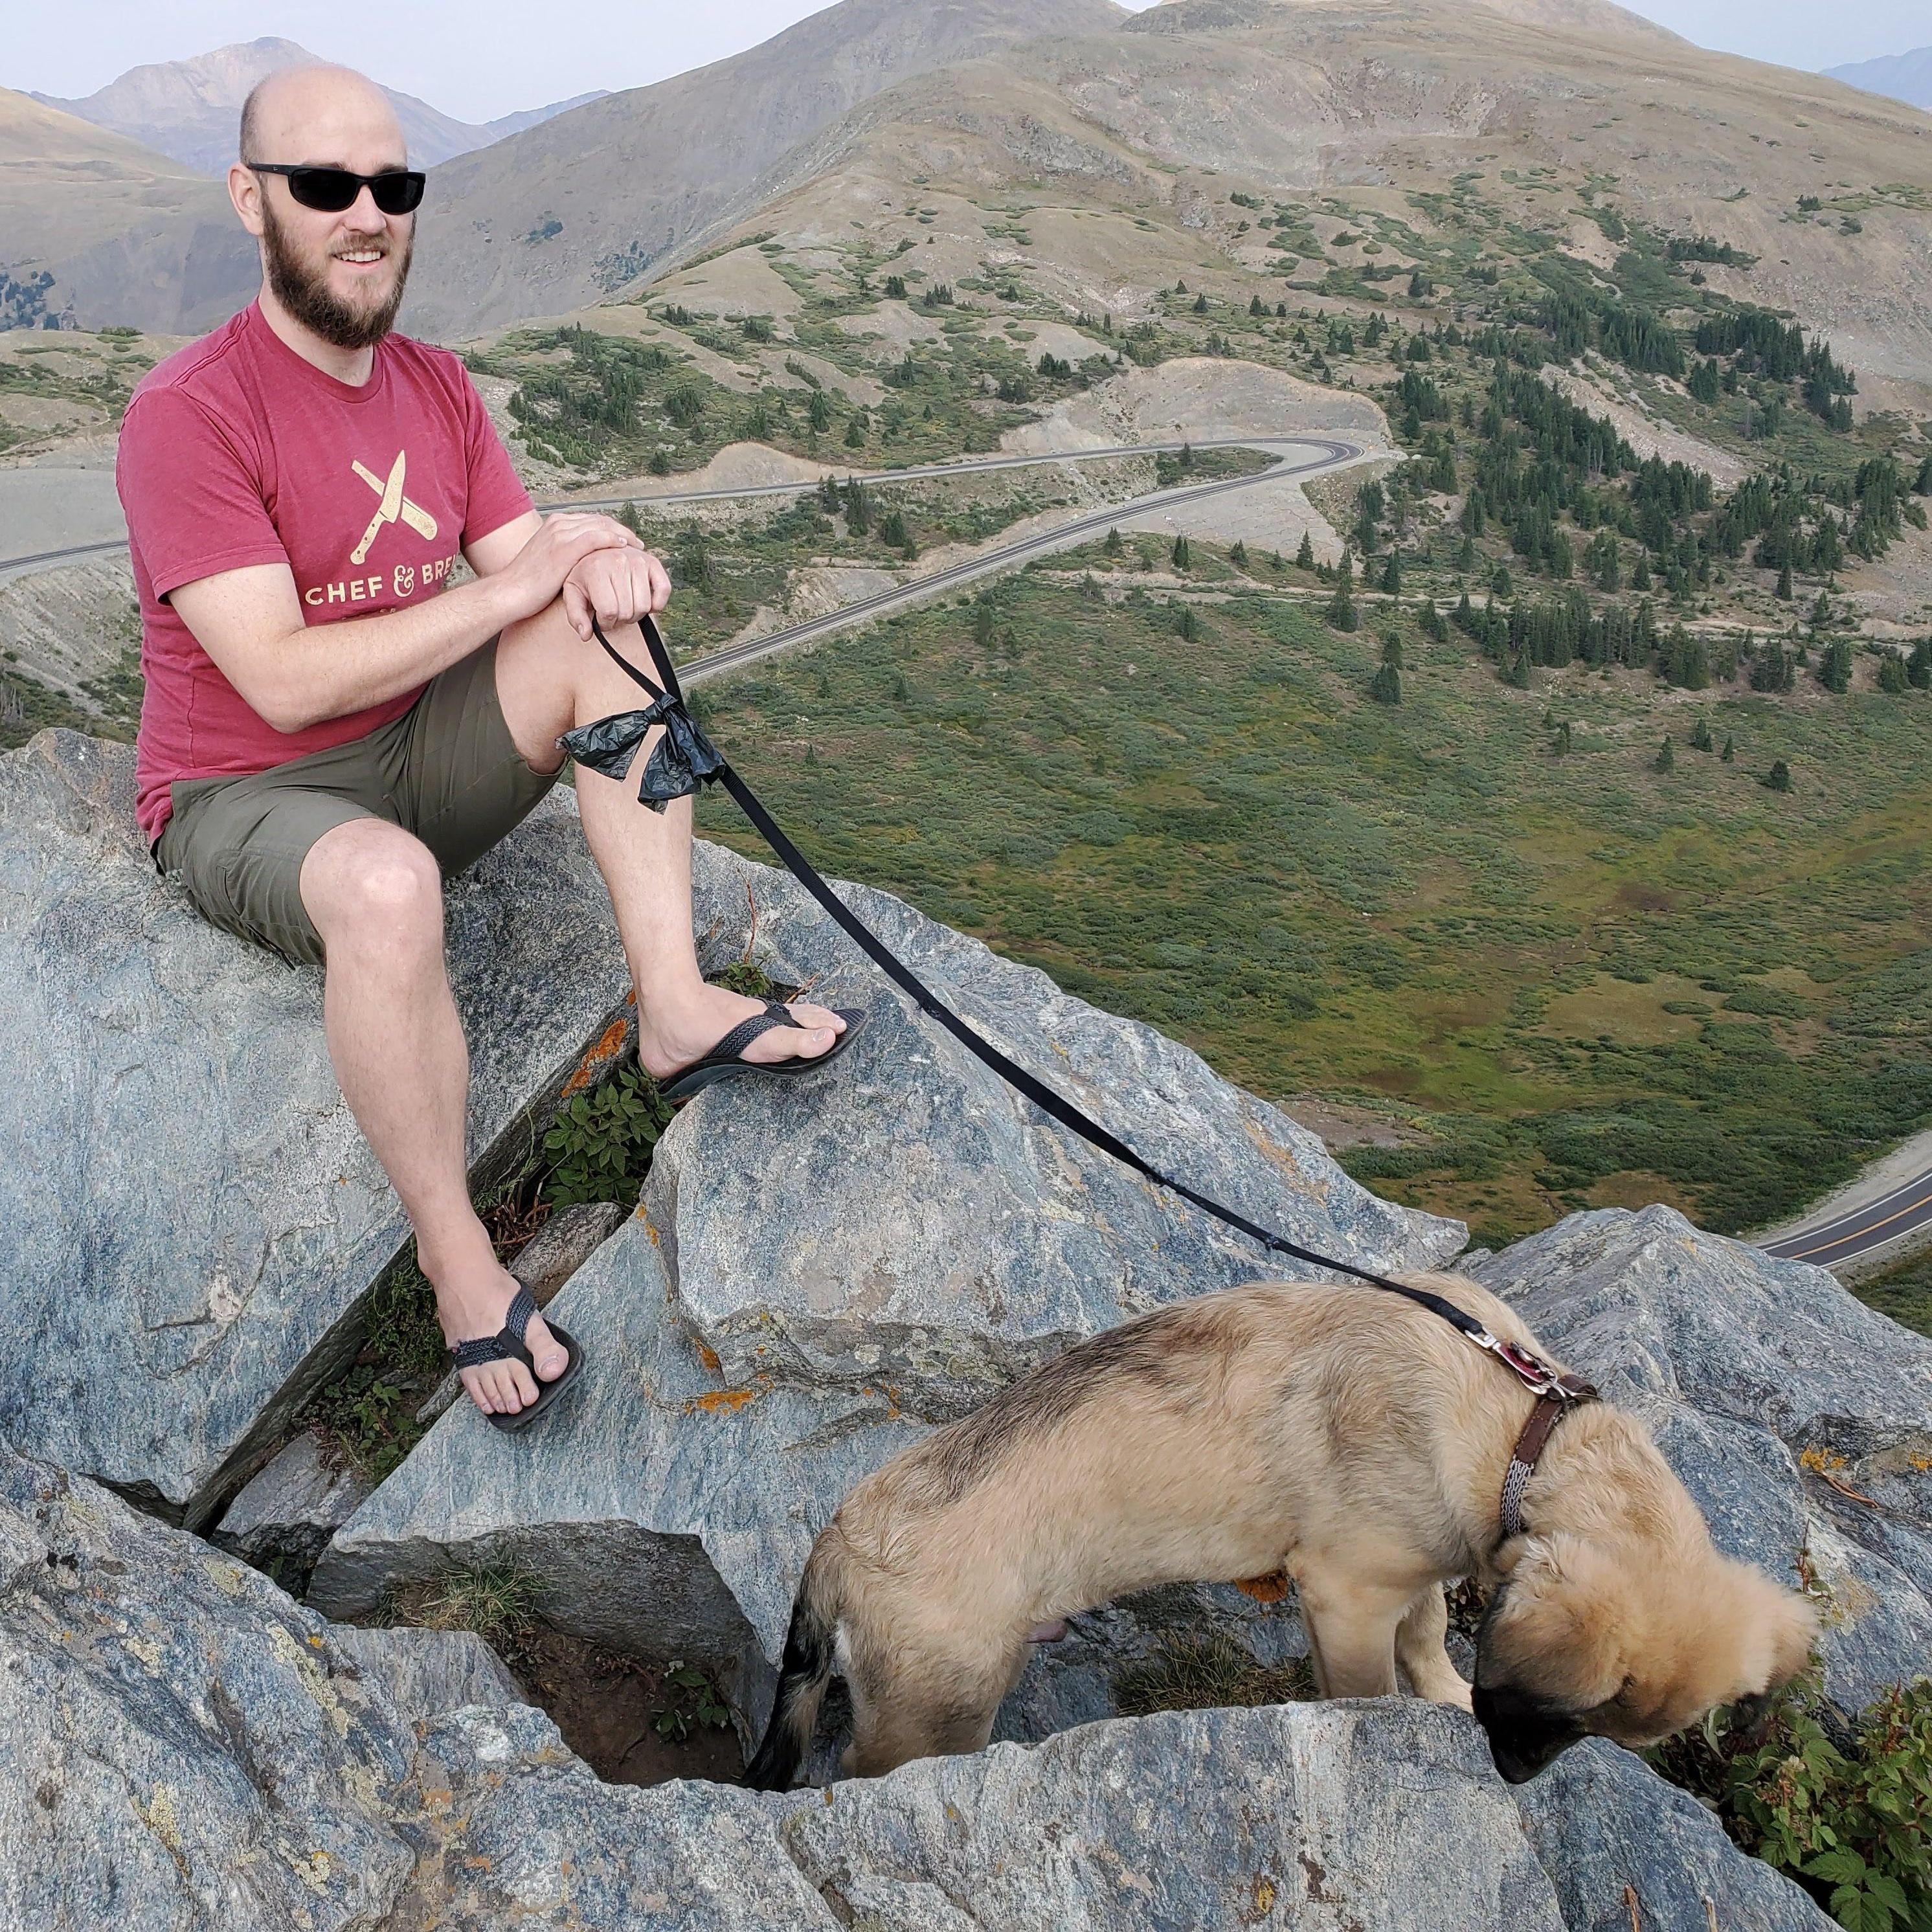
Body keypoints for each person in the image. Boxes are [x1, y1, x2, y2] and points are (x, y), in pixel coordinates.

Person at [117, 62, 856, 1430]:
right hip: (247, 791)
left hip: (414, 745)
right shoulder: (190, 412)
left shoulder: (436, 387)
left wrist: (604, 564)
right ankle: (456, 1257)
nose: (366, 215)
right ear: (250, 199)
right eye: (325, 185)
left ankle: (674, 1008)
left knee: (605, 637)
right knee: (388, 885)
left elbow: (542, 574)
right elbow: (278, 680)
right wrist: (520, 584)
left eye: (392, 186)